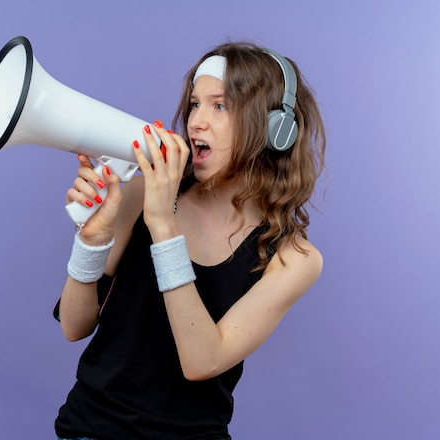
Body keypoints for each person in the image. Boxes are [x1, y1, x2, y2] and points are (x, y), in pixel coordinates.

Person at [53, 40, 326, 440]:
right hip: (88, 428)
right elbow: (74, 327)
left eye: (220, 106)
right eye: (195, 104)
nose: (196, 121)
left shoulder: (294, 258)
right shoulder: (139, 195)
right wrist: (91, 240)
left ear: (275, 130)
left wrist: (162, 224)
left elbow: (202, 361)